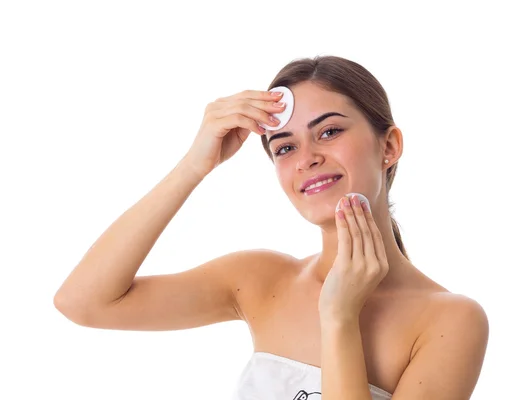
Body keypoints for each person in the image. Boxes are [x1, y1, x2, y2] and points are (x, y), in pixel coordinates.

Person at [54, 55, 489, 399]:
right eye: (284, 147)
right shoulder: (260, 280)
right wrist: (195, 164)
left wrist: (339, 316)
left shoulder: (450, 321)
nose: (306, 158)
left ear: (389, 146)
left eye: (330, 131)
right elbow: (83, 302)